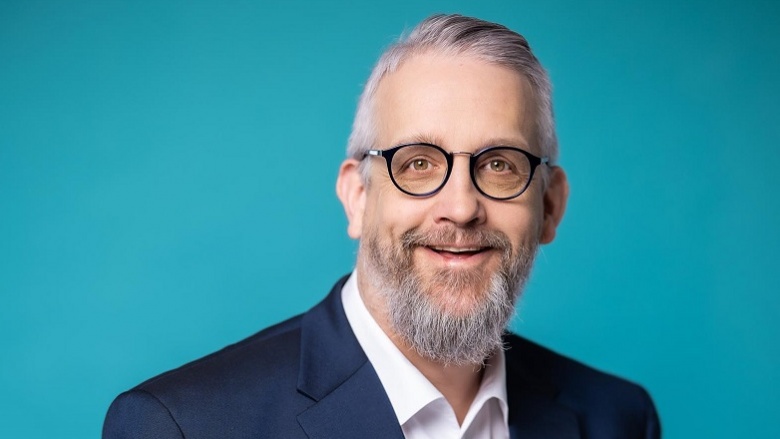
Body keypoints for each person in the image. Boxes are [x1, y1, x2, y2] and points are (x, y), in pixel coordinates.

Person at [103, 14, 660, 439]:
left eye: (499, 165)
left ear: (550, 207)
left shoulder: (618, 419)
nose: (461, 208)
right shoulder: (181, 427)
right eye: (417, 163)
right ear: (357, 197)